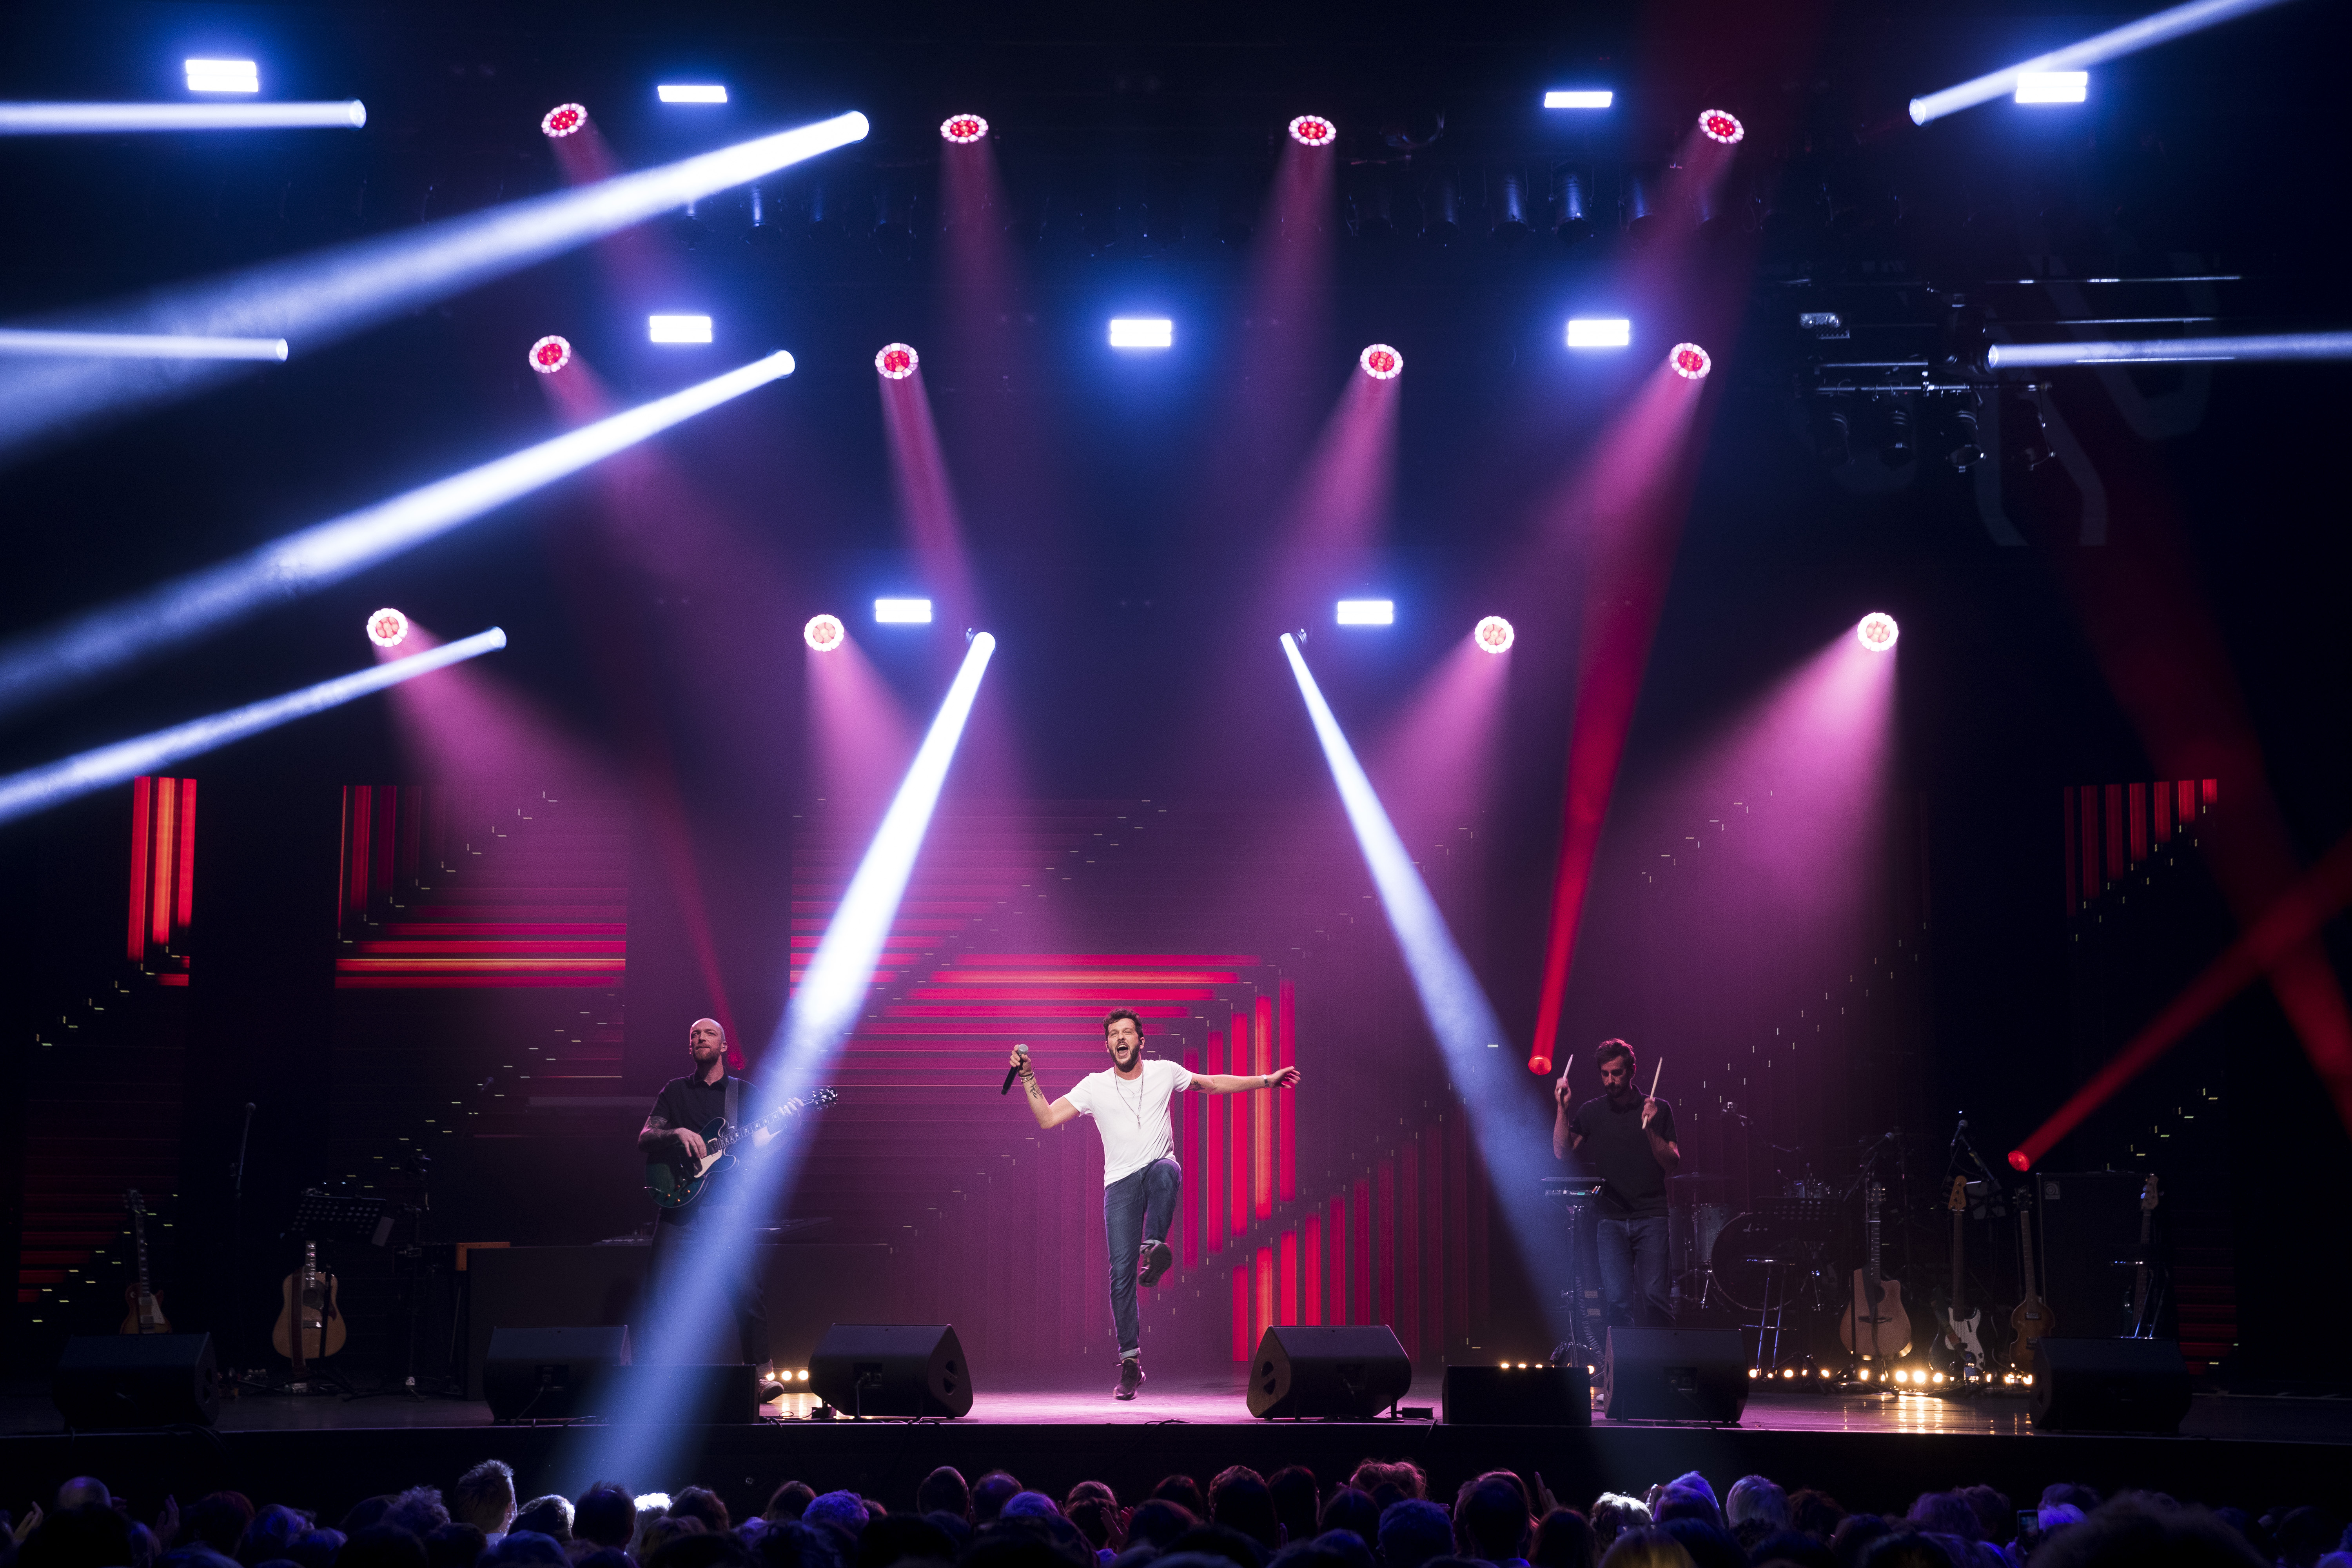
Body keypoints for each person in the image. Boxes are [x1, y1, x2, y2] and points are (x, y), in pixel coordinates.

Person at [1010, 1007, 1301, 1399]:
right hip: (1120, 1185)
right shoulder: (1094, 1086)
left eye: (1128, 1032)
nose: (1121, 1038)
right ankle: (1131, 1363)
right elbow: (1046, 1118)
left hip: (1157, 1169)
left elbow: (1213, 1083)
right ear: (1108, 1044)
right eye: (1114, 1033)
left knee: (1167, 1169)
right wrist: (1028, 1075)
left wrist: (1267, 1080)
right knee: (1120, 1276)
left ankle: (1153, 1245)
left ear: (1141, 1041)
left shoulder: (1165, 1071)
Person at [637, 1016, 786, 1401]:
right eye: (694, 1034)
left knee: (746, 1292)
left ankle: (761, 1376)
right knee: (659, 1292)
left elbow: (761, 1147)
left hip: (726, 1208)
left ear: (723, 1047)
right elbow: (646, 1137)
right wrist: (677, 1132)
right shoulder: (674, 1091)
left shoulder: (744, 1093)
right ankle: (653, 1380)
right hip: (679, 1207)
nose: (700, 1037)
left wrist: (778, 1131)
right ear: (690, 1046)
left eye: (709, 1033)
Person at [1553, 1039, 1679, 1328]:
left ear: (1632, 1071)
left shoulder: (1658, 1108)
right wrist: (1563, 1109)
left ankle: (1662, 1369)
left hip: (1651, 1216)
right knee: (1618, 1304)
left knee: (1655, 1299)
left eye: (1617, 1073)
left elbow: (1672, 1162)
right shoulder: (1592, 1111)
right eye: (1605, 1073)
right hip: (1609, 1220)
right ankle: (1623, 1372)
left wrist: (1650, 1131)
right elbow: (1562, 1151)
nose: (1610, 1080)